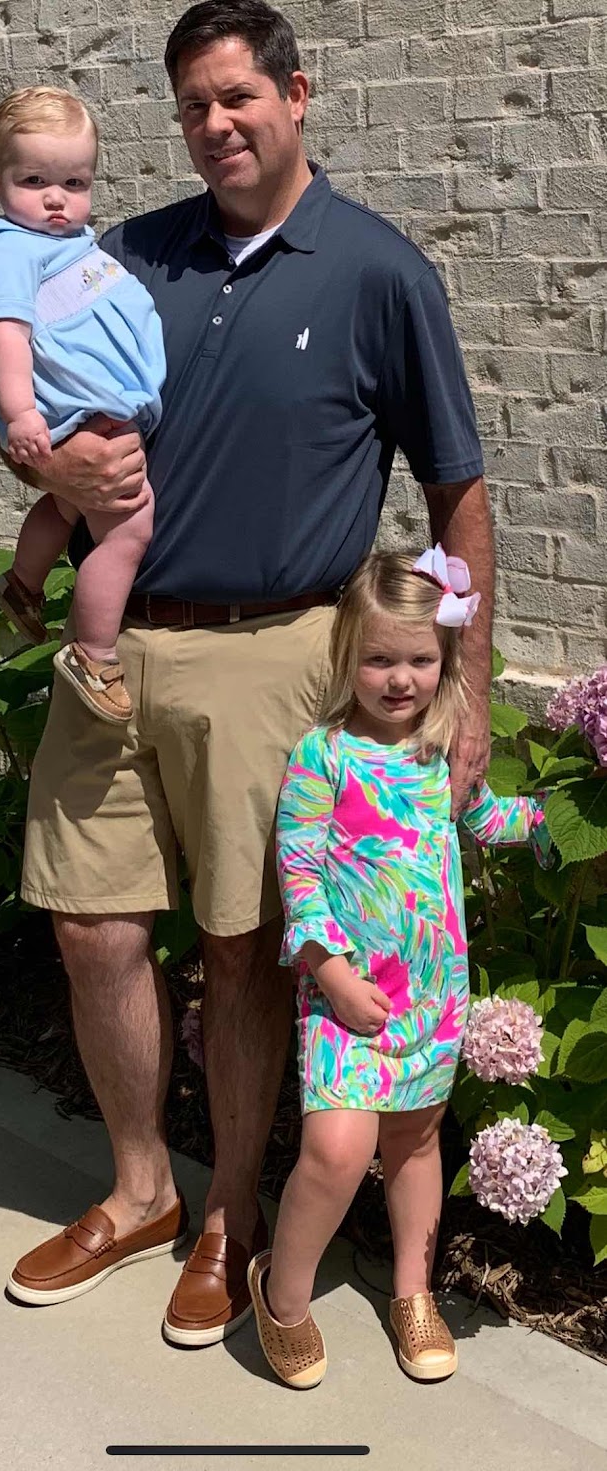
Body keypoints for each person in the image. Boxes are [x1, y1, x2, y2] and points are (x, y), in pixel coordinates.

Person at [2, 0, 495, 1347]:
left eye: (238, 97)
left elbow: (456, 489)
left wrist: (466, 689)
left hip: (271, 649)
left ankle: (228, 1211)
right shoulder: (125, 255)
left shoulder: (376, 272)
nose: (216, 124)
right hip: (113, 642)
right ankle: (140, 1189)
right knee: (92, 925)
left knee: (240, 948)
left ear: (295, 94)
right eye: (193, 106)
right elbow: (31, 406)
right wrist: (41, 455)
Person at [248, 548, 551, 1388]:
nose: (398, 679)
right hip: (343, 991)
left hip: (430, 998)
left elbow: (485, 818)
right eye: (378, 659)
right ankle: (283, 1296)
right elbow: (298, 876)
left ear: (443, 660)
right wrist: (332, 975)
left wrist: (550, 823)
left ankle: (412, 1293)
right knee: (336, 1150)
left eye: (419, 659)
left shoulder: (441, 751)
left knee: (416, 1143)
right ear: (346, 655)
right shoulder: (322, 756)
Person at [0, 86, 166, 723]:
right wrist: (21, 414)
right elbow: (7, 335)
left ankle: (21, 585)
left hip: (94, 409)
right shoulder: (10, 251)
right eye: (34, 181)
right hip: (78, 414)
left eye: (74, 182)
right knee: (129, 525)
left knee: (66, 504)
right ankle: (94, 653)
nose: (56, 199)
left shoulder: (70, 243)